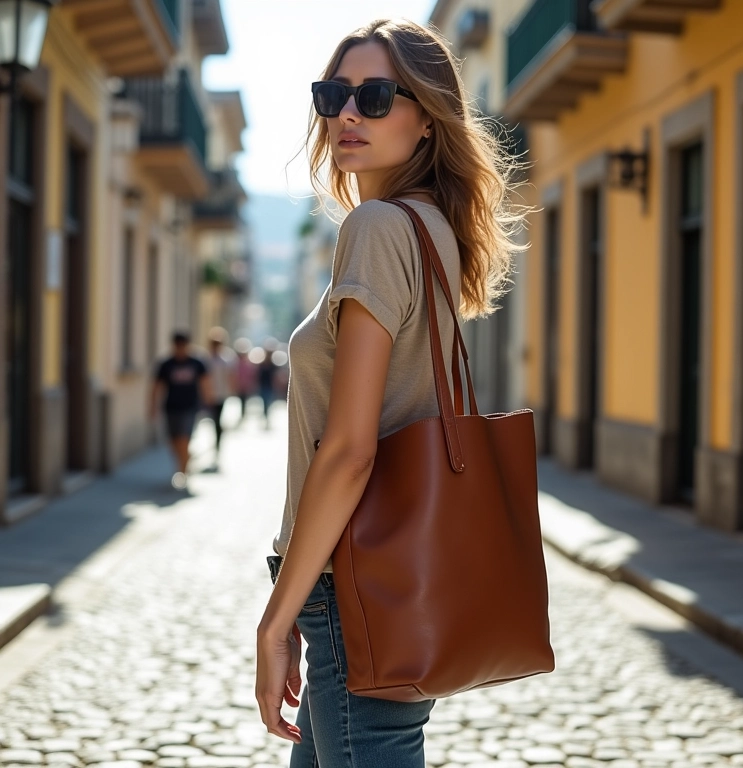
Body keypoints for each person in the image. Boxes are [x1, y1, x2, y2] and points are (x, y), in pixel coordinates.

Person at [254, 19, 523, 767]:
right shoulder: (431, 228)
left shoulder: (377, 227)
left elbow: (350, 451)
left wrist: (276, 620)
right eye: (333, 95)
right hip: (387, 577)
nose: (347, 114)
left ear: (427, 118)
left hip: (354, 582)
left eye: (374, 96)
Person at [150, 331, 212, 490]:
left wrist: (208, 402)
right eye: (178, 345)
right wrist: (152, 406)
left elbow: (205, 383)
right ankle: (184, 462)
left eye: (183, 345)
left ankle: (182, 473)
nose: (180, 348)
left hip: (189, 407)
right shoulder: (167, 364)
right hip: (171, 407)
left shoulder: (196, 363)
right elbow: (157, 386)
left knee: (184, 438)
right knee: (173, 441)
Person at [206, 327, 236, 461]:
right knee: (210, 420)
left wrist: (232, 390)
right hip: (207, 395)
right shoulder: (206, 359)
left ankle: (217, 444)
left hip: (220, 395)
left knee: (217, 420)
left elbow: (231, 376)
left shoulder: (227, 359)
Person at [233, 337, 255, 421]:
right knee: (240, 399)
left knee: (244, 400)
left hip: (245, 385)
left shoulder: (248, 364)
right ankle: (242, 413)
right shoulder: (236, 363)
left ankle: (243, 413)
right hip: (239, 385)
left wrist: (250, 384)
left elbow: (250, 375)